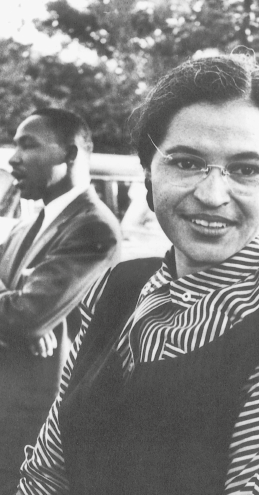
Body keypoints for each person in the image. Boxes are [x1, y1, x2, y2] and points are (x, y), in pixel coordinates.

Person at [16, 55, 259, 495]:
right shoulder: (119, 289)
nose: (213, 194)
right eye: (187, 162)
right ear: (148, 171)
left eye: (246, 169)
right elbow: (46, 474)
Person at [0, 108, 121, 492]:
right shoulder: (26, 224)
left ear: (69, 155)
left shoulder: (93, 228)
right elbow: (20, 314)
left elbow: (24, 317)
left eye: (27, 145)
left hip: (34, 432)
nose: (12, 158)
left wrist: (21, 317)